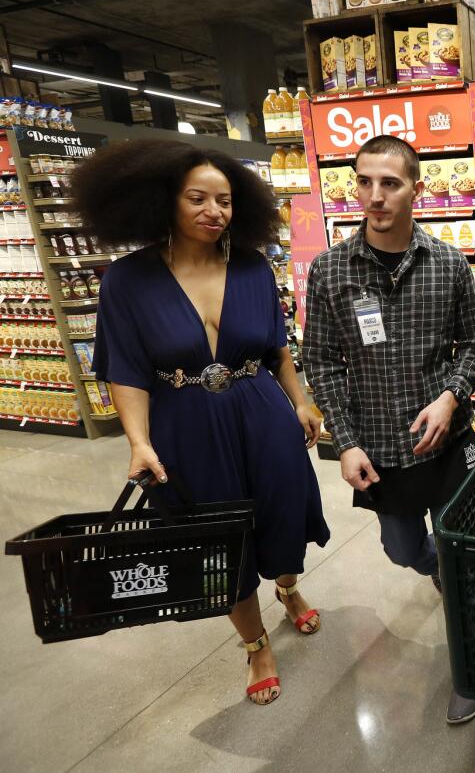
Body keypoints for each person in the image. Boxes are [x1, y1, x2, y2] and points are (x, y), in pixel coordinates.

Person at [77, 139, 329, 707]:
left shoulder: (252, 267)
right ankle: (255, 643)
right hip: (183, 423)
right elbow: (125, 369)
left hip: (260, 410)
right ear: (165, 200)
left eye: (226, 200)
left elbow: (277, 349)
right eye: (198, 198)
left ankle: (287, 588)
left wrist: (302, 402)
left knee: (282, 513)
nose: (215, 211)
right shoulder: (127, 279)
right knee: (216, 540)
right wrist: (138, 442)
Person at [303, 134, 475, 725]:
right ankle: (434, 565)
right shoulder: (331, 271)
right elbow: (323, 361)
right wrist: (346, 441)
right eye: (364, 182)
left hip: (449, 444)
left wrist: (449, 397)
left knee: (464, 555)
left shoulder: (449, 265)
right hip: (381, 449)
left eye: (390, 183)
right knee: (402, 548)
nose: (375, 196)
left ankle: (473, 661)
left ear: (417, 189)